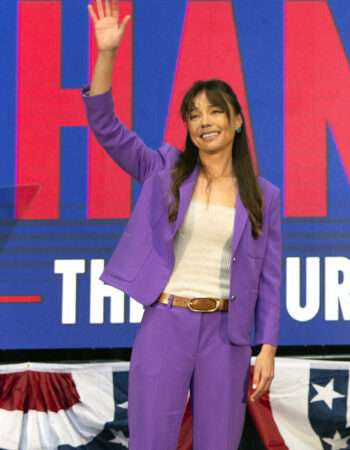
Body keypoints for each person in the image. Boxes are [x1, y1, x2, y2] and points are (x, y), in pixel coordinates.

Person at [83, 1, 281, 448]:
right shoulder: (164, 170)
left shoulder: (265, 196)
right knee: (150, 440)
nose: (204, 122)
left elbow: (271, 279)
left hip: (226, 337)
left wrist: (266, 347)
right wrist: (107, 53)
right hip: (166, 322)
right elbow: (106, 127)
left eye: (214, 112)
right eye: (194, 114)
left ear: (237, 121)